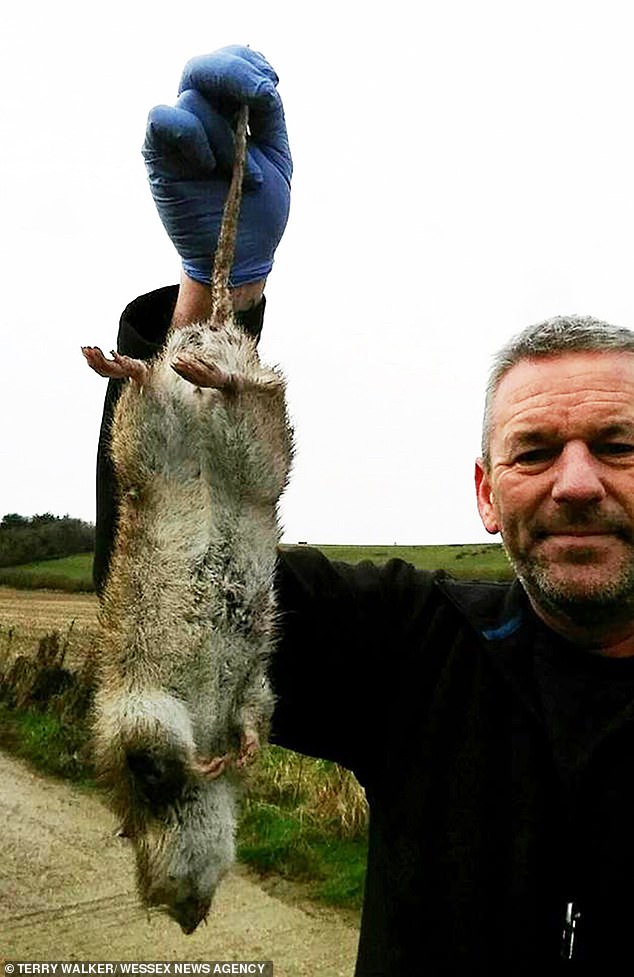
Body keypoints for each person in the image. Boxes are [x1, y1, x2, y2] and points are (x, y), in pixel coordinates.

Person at [94, 46, 634, 975]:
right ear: (484, 493)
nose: (576, 482)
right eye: (535, 452)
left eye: (618, 445)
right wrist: (217, 296)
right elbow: (168, 569)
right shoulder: (412, 645)